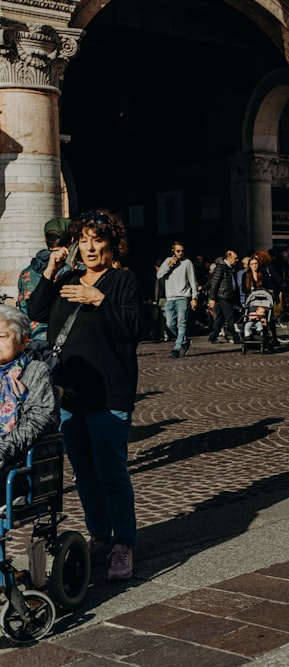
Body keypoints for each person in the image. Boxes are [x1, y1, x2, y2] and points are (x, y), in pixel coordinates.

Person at [27, 209, 141, 581]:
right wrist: (50, 271)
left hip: (110, 393)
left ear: (111, 244)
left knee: (111, 471)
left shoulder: (123, 281)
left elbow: (133, 327)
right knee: (85, 473)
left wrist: (98, 300)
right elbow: (36, 309)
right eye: (85, 240)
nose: (90, 248)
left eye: (98, 239)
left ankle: (124, 543)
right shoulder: (69, 277)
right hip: (70, 394)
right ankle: (100, 536)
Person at [0, 305, 59, 472]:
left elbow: (39, 417)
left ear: (22, 342)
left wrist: (4, 449)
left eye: (1, 336)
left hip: (17, 456)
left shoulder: (36, 371)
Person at [17, 217, 75, 344]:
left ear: (45, 239)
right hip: (60, 342)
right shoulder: (74, 271)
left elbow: (22, 312)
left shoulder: (26, 273)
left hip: (32, 343)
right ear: (71, 240)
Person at [156, 241, 198, 358]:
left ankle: (177, 347)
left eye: (182, 251)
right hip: (170, 298)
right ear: (173, 251)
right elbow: (159, 275)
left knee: (181, 323)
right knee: (170, 324)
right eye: (178, 251)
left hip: (183, 297)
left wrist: (194, 297)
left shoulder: (187, 263)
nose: (180, 253)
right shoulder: (167, 261)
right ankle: (184, 340)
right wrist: (168, 265)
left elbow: (193, 281)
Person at [206, 250, 241, 344]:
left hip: (226, 295)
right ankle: (236, 337)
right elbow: (214, 283)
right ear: (229, 258)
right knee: (230, 317)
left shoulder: (228, 268)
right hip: (223, 295)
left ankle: (213, 337)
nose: (237, 260)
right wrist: (212, 298)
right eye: (235, 258)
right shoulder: (221, 268)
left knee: (220, 318)